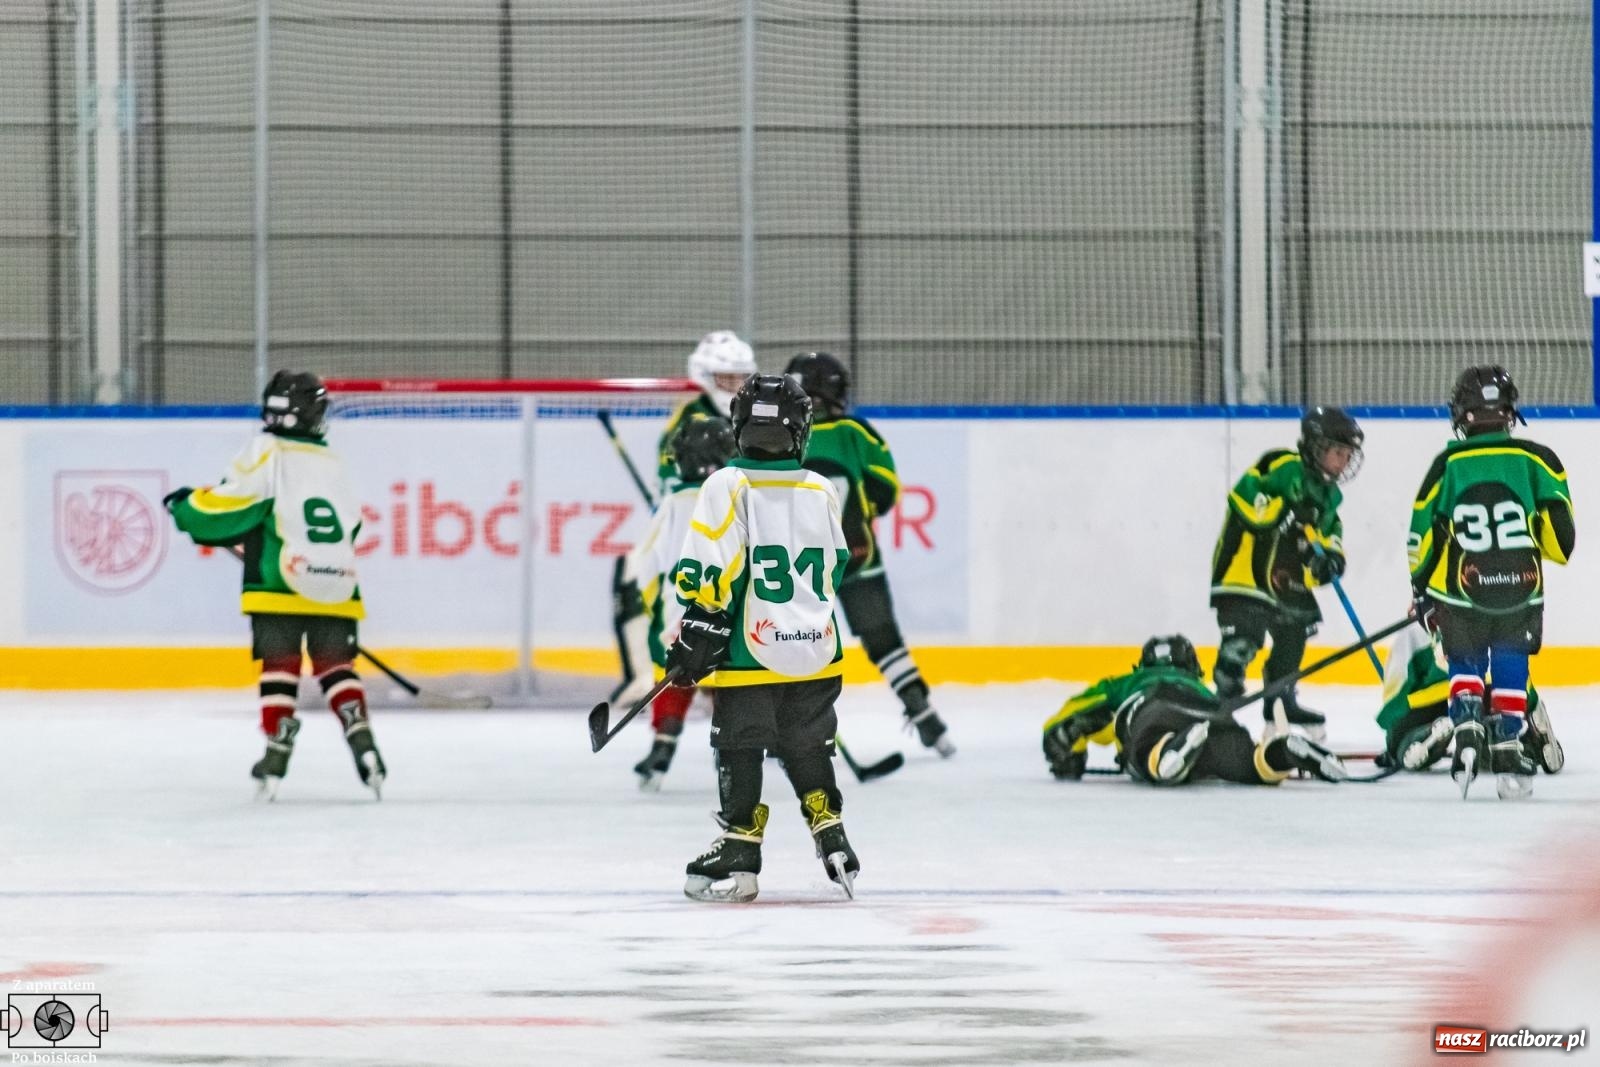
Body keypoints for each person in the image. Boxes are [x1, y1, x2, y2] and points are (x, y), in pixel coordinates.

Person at [667, 374, 858, 902]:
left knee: (740, 743)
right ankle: (831, 833)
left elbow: (709, 567)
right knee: (808, 743)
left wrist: (699, 627)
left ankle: (739, 845)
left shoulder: (726, 484)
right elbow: (836, 565)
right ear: (801, 430)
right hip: (817, 650)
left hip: (750, 653)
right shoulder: (821, 487)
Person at [165, 370, 384, 800]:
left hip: (279, 582)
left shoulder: (267, 450)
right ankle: (363, 740)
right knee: (335, 666)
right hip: (339, 586)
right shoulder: (332, 461)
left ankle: (277, 750)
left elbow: (233, 504)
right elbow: (353, 527)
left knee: (280, 665)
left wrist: (186, 507)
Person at [1408, 365, 1575, 799]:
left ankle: (1466, 731)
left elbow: (1421, 537)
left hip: (1461, 592)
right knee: (1510, 663)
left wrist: (1421, 591)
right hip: (1520, 589)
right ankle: (1506, 745)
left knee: (1464, 660)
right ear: (1509, 411)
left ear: (1460, 413)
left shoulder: (1447, 464)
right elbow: (1562, 541)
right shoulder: (1537, 459)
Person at [784, 351, 953, 756]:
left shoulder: (781, 436)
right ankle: (923, 713)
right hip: (859, 558)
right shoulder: (856, 432)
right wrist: (861, 515)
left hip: (798, 568)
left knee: (790, 643)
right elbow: (886, 488)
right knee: (884, 640)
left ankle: (786, 731)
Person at [1210, 406, 1364, 740]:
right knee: (1244, 638)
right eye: (1338, 453)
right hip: (1245, 573)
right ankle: (1222, 705)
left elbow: (1329, 534)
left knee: (1295, 631)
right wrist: (1286, 512)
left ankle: (1280, 701)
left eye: (1347, 455)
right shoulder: (1281, 465)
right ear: (1317, 447)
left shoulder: (1329, 495)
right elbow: (1246, 500)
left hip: (1284, 579)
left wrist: (1329, 560)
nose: (1343, 462)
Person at [1042, 635, 1347, 785]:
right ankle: (1280, 753)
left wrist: (1068, 753)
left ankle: (1169, 751)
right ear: (1193, 668)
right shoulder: (1200, 687)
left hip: (1156, 705)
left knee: (1148, 747)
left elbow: (1070, 719)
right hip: (1211, 711)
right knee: (1248, 763)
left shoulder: (1126, 683)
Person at [618, 415, 736, 790]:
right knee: (729, 681)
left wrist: (657, 611)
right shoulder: (740, 498)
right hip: (729, 613)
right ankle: (732, 754)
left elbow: (644, 568)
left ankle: (663, 745)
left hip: (678, 612)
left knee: (674, 675)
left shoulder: (672, 503)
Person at [1376, 621, 1562, 775]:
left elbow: (1398, 684)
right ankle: (1525, 744)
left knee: (1402, 745)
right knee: (1493, 751)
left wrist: (1393, 735)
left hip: (1433, 700)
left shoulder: (1414, 632)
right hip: (1486, 695)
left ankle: (1428, 733)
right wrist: (1531, 703)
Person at [657, 331, 757, 491]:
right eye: (727, 377)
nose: (736, 384)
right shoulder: (691, 414)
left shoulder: (753, 412)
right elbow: (668, 457)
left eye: (741, 377)